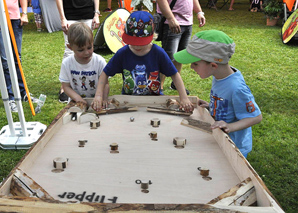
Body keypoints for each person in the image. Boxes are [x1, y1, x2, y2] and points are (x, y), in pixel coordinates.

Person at [173, 30, 262, 158]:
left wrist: (230, 126)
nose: (192, 67)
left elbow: (256, 117)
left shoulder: (236, 88)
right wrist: (211, 105)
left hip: (234, 146)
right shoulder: (218, 76)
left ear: (213, 65)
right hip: (220, 138)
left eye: (195, 63)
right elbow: (228, 103)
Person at [91, 11, 193, 112]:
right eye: (133, 42)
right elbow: (105, 73)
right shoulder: (122, 53)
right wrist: (99, 96)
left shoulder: (158, 53)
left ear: (152, 36)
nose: (136, 46)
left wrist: (183, 97)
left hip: (154, 102)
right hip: (128, 102)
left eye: (141, 43)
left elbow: (175, 75)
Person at [156, 0, 206, 95]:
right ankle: (158, 86)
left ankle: (176, 83)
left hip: (187, 23)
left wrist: (199, 12)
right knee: (168, 57)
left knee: (180, 56)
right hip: (171, 23)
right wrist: (170, 18)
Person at [56, 0, 101, 103]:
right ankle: (65, 86)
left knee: (87, 47)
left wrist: (96, 13)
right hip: (70, 14)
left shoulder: (100, 61)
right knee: (70, 51)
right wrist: (62, 18)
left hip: (88, 13)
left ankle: (90, 82)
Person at [0, 0, 38, 113]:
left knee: (17, 58)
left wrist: (24, 13)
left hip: (15, 19)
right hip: (1, 20)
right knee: (5, 60)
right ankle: (10, 98)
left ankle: (23, 93)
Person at [59, 22, 109, 105]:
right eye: (81, 50)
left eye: (89, 47)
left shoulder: (100, 61)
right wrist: (78, 99)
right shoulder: (67, 63)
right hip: (76, 102)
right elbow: (66, 86)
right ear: (70, 47)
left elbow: (106, 84)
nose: (86, 53)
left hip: (97, 101)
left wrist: (104, 99)